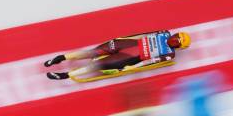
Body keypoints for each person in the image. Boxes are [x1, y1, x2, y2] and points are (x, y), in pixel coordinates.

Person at [44, 30, 191, 80]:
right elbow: (142, 35)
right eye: (175, 37)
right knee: (93, 53)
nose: (173, 41)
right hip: (127, 46)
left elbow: (152, 62)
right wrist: (123, 39)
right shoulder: (164, 34)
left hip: (129, 55)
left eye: (176, 42)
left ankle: (66, 73)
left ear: (178, 47)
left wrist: (131, 67)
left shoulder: (169, 54)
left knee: (98, 63)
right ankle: (61, 60)